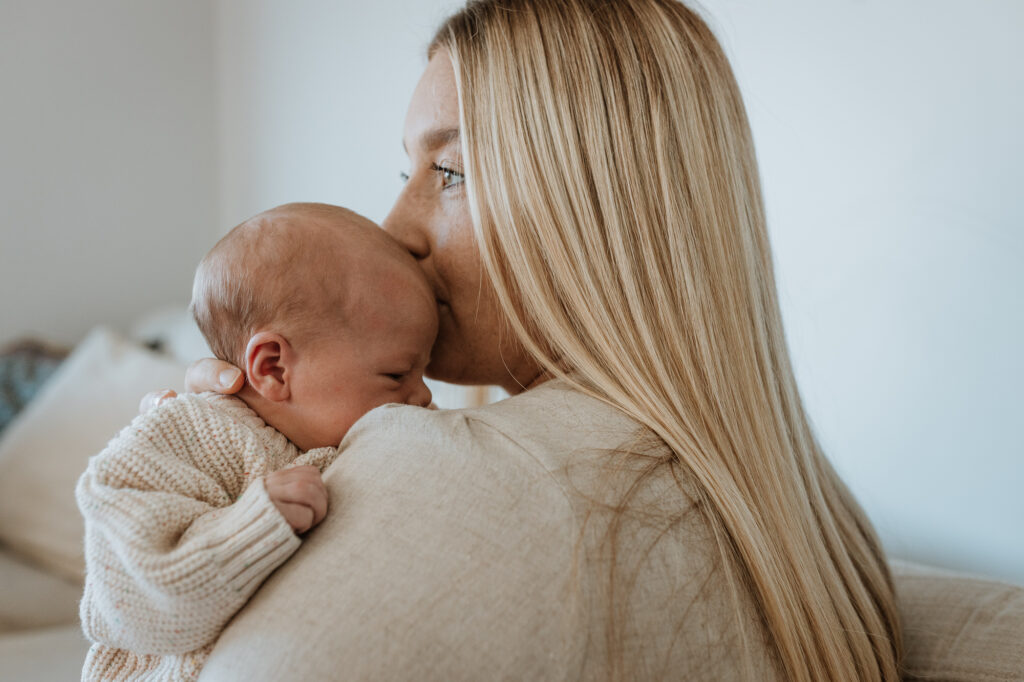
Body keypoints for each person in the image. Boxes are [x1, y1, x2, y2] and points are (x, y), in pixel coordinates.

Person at [151, 1, 904, 679]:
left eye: (449, 171)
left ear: (604, 205)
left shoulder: (468, 476)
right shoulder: (821, 528)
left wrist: (169, 524)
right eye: (407, 171)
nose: (390, 230)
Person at [77, 204, 437, 681]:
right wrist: (250, 530)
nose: (425, 394)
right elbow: (121, 602)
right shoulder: (193, 433)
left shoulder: (342, 434)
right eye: (397, 373)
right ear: (273, 367)